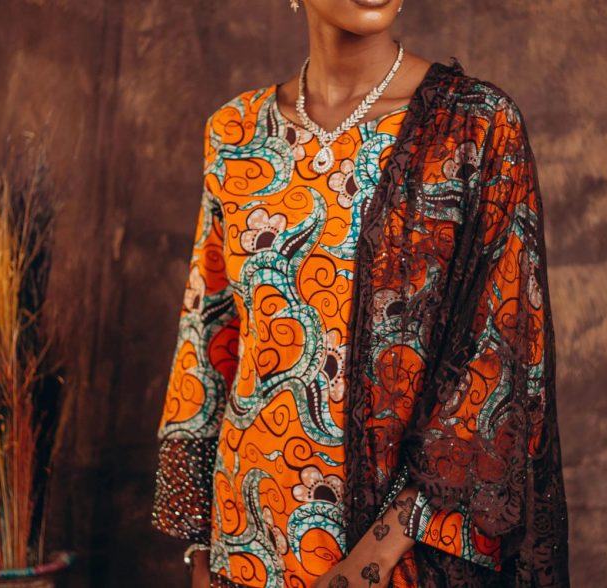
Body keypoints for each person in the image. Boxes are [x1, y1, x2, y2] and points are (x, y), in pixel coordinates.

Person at [151, 1, 570, 586]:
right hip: (244, 543)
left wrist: (374, 558)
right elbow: (207, 336)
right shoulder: (234, 132)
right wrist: (202, 548)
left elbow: (502, 357)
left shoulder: (474, 125)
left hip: (400, 553)